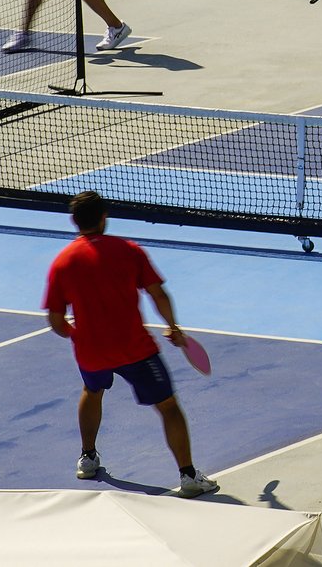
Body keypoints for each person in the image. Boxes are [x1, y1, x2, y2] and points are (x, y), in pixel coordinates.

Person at [43, 191, 219, 498]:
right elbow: (158, 294)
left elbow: (57, 322)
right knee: (168, 407)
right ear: (104, 217)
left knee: (92, 391)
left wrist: (79, 335)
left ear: (74, 221)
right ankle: (189, 476)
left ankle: (88, 458)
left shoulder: (62, 263)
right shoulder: (129, 250)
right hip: (135, 349)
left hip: (91, 352)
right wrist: (173, 327)